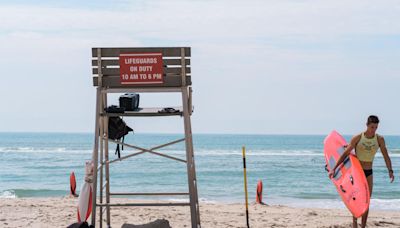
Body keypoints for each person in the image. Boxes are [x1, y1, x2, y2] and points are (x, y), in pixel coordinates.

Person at [328, 115, 395, 228]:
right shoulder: (358, 137)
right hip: (357, 173)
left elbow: (386, 155)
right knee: (356, 201)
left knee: (366, 201)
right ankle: (354, 223)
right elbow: (345, 154)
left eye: (376, 127)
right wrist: (334, 168)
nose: (374, 130)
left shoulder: (379, 139)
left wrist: (390, 170)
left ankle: (363, 226)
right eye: (372, 127)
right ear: (367, 125)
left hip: (369, 172)